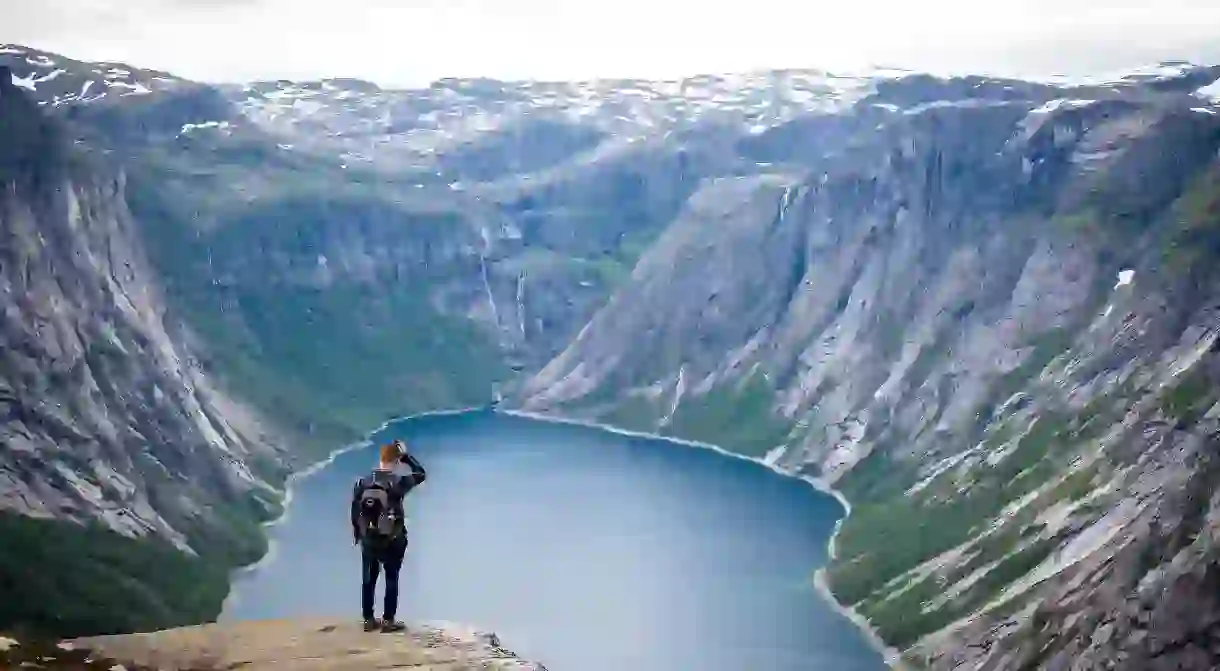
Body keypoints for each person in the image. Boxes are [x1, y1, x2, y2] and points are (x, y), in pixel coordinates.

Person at [351, 438, 427, 632]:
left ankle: (368, 619)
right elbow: (420, 474)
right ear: (395, 462)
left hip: (369, 540)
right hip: (393, 539)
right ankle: (388, 621)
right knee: (391, 578)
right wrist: (406, 457)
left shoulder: (363, 482)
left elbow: (354, 510)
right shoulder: (398, 482)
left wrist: (358, 535)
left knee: (368, 579)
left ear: (380, 460)